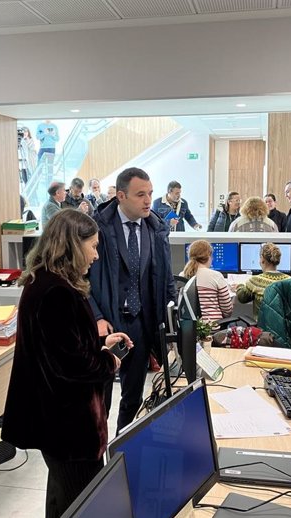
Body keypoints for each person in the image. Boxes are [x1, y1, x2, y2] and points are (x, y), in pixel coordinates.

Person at [2, 210, 133, 518]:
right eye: (93, 246)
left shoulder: (48, 283)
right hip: (69, 427)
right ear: (73, 245)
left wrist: (100, 345)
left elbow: (64, 348)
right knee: (84, 504)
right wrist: (108, 360)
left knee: (63, 499)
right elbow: (72, 365)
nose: (97, 255)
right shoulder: (56, 292)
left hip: (58, 423)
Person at [88, 167, 176, 432]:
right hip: (108, 325)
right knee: (98, 400)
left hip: (140, 323)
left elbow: (166, 280)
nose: (148, 200)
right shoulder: (96, 228)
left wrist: (171, 324)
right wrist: (97, 317)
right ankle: (97, 450)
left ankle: (121, 450)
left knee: (133, 398)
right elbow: (80, 280)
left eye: (150, 193)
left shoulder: (155, 229)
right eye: (140, 195)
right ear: (121, 196)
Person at [181, 240, 234, 322]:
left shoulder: (182, 275)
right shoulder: (216, 276)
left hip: (188, 329)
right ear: (209, 257)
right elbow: (227, 311)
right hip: (212, 327)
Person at [236, 243, 291, 319]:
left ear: (262, 260)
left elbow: (242, 298)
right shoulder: (290, 280)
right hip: (285, 329)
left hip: (262, 329)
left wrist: (239, 286)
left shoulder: (256, 281)